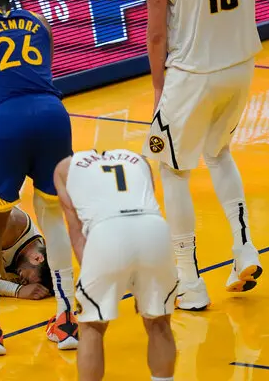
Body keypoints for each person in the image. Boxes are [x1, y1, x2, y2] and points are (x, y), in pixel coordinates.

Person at [0, 0, 77, 356]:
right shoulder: (39, 21)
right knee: (53, 218)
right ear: (9, 7)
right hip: (54, 114)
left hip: (8, 119)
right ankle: (67, 320)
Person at [143, 0, 263, 311]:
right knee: (218, 152)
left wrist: (158, 88)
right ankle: (244, 246)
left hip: (194, 72)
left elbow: (156, 34)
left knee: (172, 170)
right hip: (241, 64)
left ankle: (189, 281)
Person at [54, 149, 178, 381]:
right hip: (154, 229)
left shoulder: (64, 168)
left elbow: (76, 232)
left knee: (92, 325)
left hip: (107, 231)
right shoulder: (139, 160)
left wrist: (94, 283)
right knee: (159, 321)